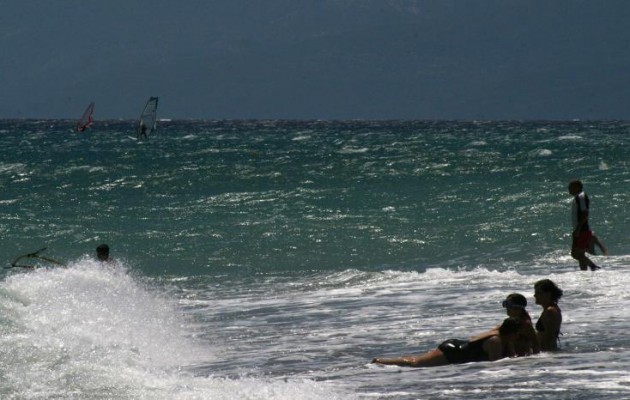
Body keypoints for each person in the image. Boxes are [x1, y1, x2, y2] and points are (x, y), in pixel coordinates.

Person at [371, 317, 521, 368]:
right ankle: (380, 361)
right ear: (512, 333)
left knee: (417, 359)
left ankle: (382, 362)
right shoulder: (496, 341)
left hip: (457, 349)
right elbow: (495, 363)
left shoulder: (503, 338)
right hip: (453, 351)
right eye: (517, 334)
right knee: (416, 364)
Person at [474, 293, 540, 356]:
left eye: (509, 305)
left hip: (521, 359)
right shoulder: (512, 321)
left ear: (518, 308)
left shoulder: (524, 324)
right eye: (506, 304)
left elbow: (536, 344)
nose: (507, 308)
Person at [568, 180, 601, 271]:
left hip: (582, 230)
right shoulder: (578, 197)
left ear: (578, 187)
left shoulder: (581, 197)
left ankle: (593, 266)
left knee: (575, 254)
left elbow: (584, 213)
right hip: (581, 229)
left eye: (571, 187)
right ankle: (584, 273)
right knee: (581, 254)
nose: (569, 189)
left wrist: (578, 229)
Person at [534, 279, 563, 351]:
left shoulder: (550, 311)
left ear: (548, 294)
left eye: (538, 293)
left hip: (547, 354)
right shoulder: (549, 310)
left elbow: (549, 338)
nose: (534, 295)